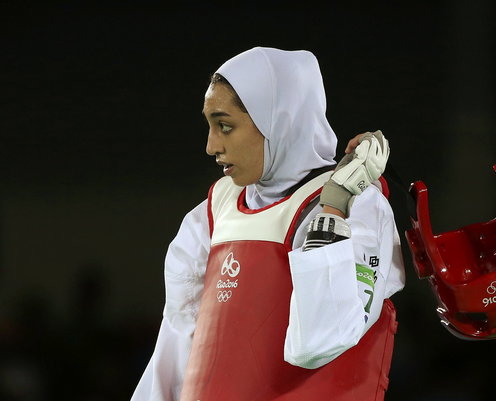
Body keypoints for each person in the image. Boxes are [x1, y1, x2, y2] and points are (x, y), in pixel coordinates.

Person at [131, 46, 406, 401]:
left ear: (279, 120)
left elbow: (319, 341)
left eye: (225, 126)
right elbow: (174, 347)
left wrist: (333, 209)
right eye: (210, 125)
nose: (211, 145)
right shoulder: (212, 214)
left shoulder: (359, 206)